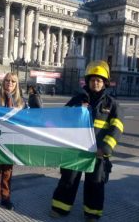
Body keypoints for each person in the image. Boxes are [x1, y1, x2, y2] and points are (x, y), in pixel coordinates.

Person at [50, 60, 124, 222]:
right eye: (92, 80)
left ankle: (92, 213)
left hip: (98, 153)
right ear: (88, 81)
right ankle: (60, 208)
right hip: (76, 151)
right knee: (68, 180)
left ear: (104, 83)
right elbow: (62, 118)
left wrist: (104, 149)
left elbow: (117, 128)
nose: (95, 83)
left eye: (99, 80)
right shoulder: (77, 100)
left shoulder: (112, 104)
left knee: (95, 184)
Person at [0, 72, 26, 211]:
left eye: (13, 81)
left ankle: (6, 198)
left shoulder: (21, 101)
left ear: (17, 84)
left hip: (12, 140)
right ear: (3, 82)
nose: (10, 83)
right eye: (7, 80)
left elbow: (29, 119)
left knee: (8, 171)